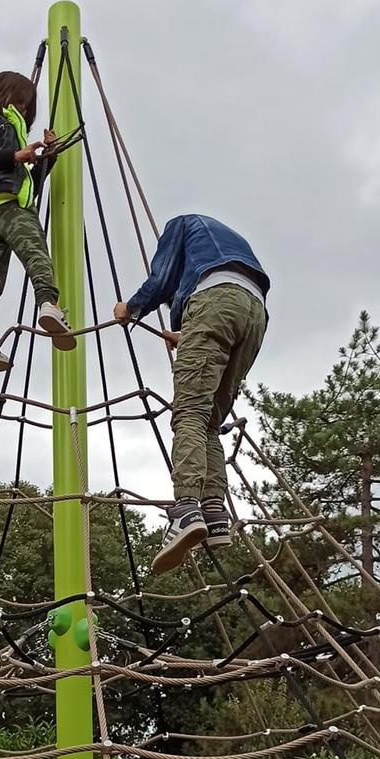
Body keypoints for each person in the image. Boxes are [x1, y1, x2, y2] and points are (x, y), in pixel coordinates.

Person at [114, 213, 269, 573]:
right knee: (210, 421)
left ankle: (186, 509)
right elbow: (228, 306)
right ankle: (215, 513)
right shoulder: (228, 246)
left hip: (215, 303)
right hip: (255, 312)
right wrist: (187, 333)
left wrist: (131, 308)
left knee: (189, 414)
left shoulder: (180, 225)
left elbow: (162, 277)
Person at [0, 70, 74, 372]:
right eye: (20, 103)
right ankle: (48, 304)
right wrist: (15, 154)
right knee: (34, 250)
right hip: (6, 203)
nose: (23, 111)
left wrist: (48, 157)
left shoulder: (11, 132)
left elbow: (30, 184)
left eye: (27, 109)